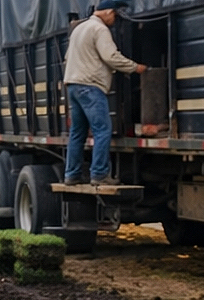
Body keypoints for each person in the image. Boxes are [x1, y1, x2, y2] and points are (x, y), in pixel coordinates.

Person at [63, 0, 147, 186]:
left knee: (77, 132)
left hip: (73, 85)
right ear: (108, 11)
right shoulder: (100, 29)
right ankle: (99, 174)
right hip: (91, 87)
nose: (115, 19)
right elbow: (111, 57)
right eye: (115, 15)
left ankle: (71, 175)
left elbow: (67, 57)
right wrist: (135, 67)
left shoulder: (79, 28)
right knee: (103, 130)